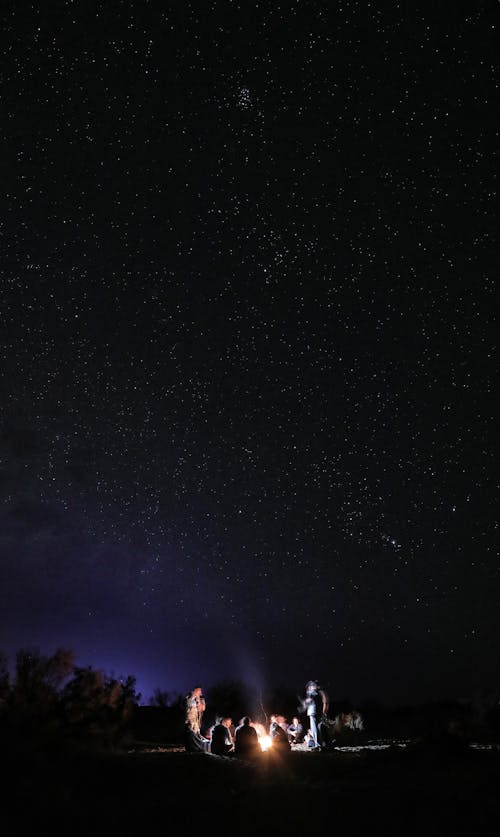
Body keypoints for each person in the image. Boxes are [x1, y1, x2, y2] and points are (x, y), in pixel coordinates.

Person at [300, 679, 329, 749]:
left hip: (313, 712)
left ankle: (317, 745)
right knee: (318, 728)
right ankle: (321, 744)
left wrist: (303, 706)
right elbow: (325, 702)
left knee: (314, 729)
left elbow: (309, 701)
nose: (308, 688)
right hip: (318, 712)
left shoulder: (313, 692)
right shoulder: (320, 692)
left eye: (309, 686)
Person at [184, 685, 209, 753]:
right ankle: (191, 747)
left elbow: (202, 708)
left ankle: (197, 747)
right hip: (190, 717)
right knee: (190, 731)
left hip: (196, 718)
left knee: (196, 732)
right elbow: (187, 704)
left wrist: (198, 698)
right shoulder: (190, 696)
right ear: (195, 690)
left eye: (200, 691)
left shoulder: (201, 699)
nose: (200, 692)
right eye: (199, 690)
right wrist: (193, 696)